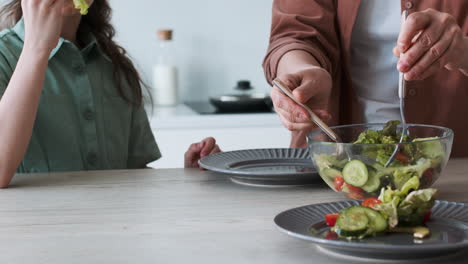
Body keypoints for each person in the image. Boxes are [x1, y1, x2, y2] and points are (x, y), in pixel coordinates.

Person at [0, 0, 220, 188]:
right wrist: (37, 47)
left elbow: (134, 175)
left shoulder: (117, 68)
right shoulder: (4, 57)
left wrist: (188, 176)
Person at [263, 0, 468, 155]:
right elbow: (294, 34)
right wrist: (301, 69)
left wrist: (463, 51)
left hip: (455, 165)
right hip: (333, 161)